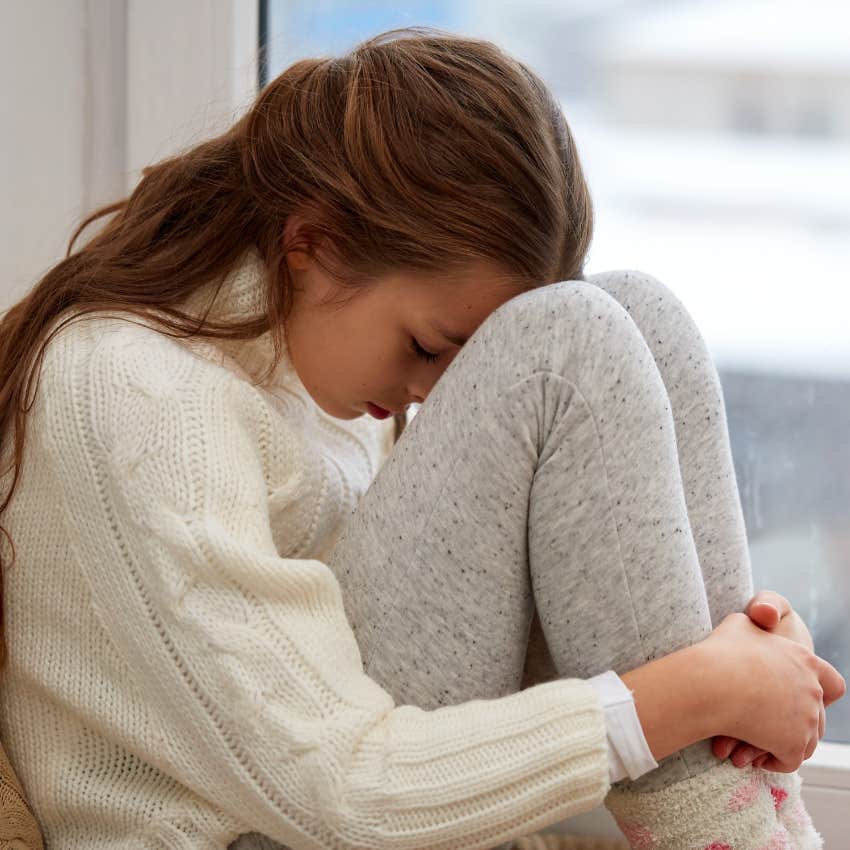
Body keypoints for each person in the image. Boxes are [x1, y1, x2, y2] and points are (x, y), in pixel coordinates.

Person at [0, 26, 843, 850]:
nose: (432, 393)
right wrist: (695, 691)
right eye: (430, 347)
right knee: (563, 349)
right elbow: (337, 794)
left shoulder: (308, 356)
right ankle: (736, 834)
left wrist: (738, 661)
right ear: (311, 242)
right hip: (270, 825)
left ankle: (749, 810)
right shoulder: (136, 391)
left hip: (335, 791)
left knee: (639, 314)